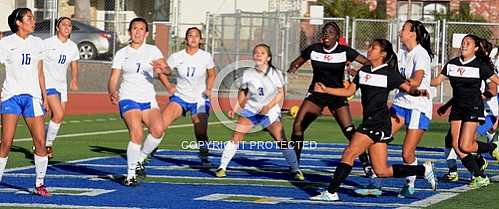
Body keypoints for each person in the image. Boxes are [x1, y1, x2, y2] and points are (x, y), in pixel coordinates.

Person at [310, 39, 436, 201]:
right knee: (382, 170)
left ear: (383, 54)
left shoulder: (389, 73)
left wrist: (418, 93)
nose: (369, 50)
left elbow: (407, 87)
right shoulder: (364, 71)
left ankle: (331, 192)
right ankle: (422, 170)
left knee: (350, 152)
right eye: (369, 47)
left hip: (377, 123)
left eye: (374, 48)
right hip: (373, 123)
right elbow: (348, 91)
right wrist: (326, 89)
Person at [355, 20, 435, 198]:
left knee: (407, 153)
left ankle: (413, 180)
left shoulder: (420, 54)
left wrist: (397, 83)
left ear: (413, 34)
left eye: (404, 28)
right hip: (400, 104)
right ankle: (375, 184)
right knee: (376, 136)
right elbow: (386, 73)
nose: (401, 31)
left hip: (417, 106)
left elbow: (416, 80)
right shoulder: (402, 52)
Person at [287, 21, 370, 172]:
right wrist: (292, 69)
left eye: (331, 32)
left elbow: (369, 64)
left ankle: (366, 164)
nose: (326, 34)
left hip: (336, 95)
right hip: (316, 94)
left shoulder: (345, 51)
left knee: (349, 130)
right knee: (298, 125)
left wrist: (356, 73)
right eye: (325, 32)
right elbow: (296, 62)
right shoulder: (313, 49)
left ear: (337, 37)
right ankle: (294, 165)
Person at [215, 43, 303, 180]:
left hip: (270, 112)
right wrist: (236, 108)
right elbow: (244, 92)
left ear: (268, 58)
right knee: (236, 136)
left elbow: (280, 94)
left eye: (262, 53)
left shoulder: (275, 73)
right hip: (251, 111)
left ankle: (296, 169)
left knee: (281, 140)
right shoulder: (248, 73)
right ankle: (222, 167)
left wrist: (268, 106)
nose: (258, 55)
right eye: (256, 52)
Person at [431, 34, 499, 189]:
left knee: (466, 146)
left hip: (473, 107)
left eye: (468, 43)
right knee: (456, 145)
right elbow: (435, 82)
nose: (464, 45)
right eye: (463, 43)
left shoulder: (480, 65)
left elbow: (496, 83)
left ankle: (493, 147)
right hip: (457, 109)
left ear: (475, 48)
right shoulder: (452, 64)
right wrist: (409, 81)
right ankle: (479, 176)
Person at [108, 17, 166, 186]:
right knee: (137, 133)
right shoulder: (122, 53)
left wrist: (163, 68)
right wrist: (112, 91)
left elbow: (167, 69)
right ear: (129, 32)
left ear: (146, 33)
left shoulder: (153, 50)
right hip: (128, 97)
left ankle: (140, 159)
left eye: (141, 29)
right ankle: (130, 175)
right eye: (134, 28)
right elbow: (113, 78)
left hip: (148, 99)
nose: (138, 32)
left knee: (158, 130)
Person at [0, 8, 50, 196]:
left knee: (40, 142)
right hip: (11, 96)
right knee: (6, 142)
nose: (33, 21)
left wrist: (45, 97)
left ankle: (39, 184)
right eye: (29, 18)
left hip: (33, 97)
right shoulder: (5, 43)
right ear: (18, 23)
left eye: (33, 18)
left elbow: (40, 72)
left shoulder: (38, 43)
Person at [158, 27, 216, 167]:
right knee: (160, 125)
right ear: (186, 39)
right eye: (190, 35)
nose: (194, 38)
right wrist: (169, 87)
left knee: (200, 130)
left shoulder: (206, 56)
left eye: (196, 36)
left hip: (199, 98)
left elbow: (212, 74)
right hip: (180, 97)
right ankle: (147, 154)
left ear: (201, 40)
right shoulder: (177, 56)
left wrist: (208, 88)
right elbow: (163, 72)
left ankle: (204, 154)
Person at [42, 17, 80, 159]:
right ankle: (47, 145)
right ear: (58, 27)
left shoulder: (72, 47)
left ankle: (42, 142)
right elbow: (38, 62)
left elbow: (74, 65)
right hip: (48, 84)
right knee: (58, 114)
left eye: (69, 25)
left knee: (57, 118)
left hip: (61, 85)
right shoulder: (47, 43)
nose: (67, 27)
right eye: (64, 24)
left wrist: (74, 79)